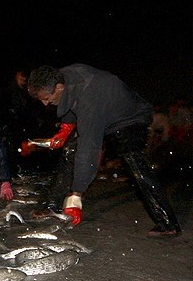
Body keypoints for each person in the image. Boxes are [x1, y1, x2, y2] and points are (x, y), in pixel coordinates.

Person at [27, 64, 181, 238]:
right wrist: (65, 129)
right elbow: (69, 101)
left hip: (129, 118)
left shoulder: (90, 99)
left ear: (59, 87)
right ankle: (52, 206)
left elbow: (89, 149)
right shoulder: (62, 76)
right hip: (103, 112)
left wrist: (76, 196)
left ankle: (167, 222)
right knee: (69, 151)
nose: (45, 103)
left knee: (134, 162)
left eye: (47, 98)